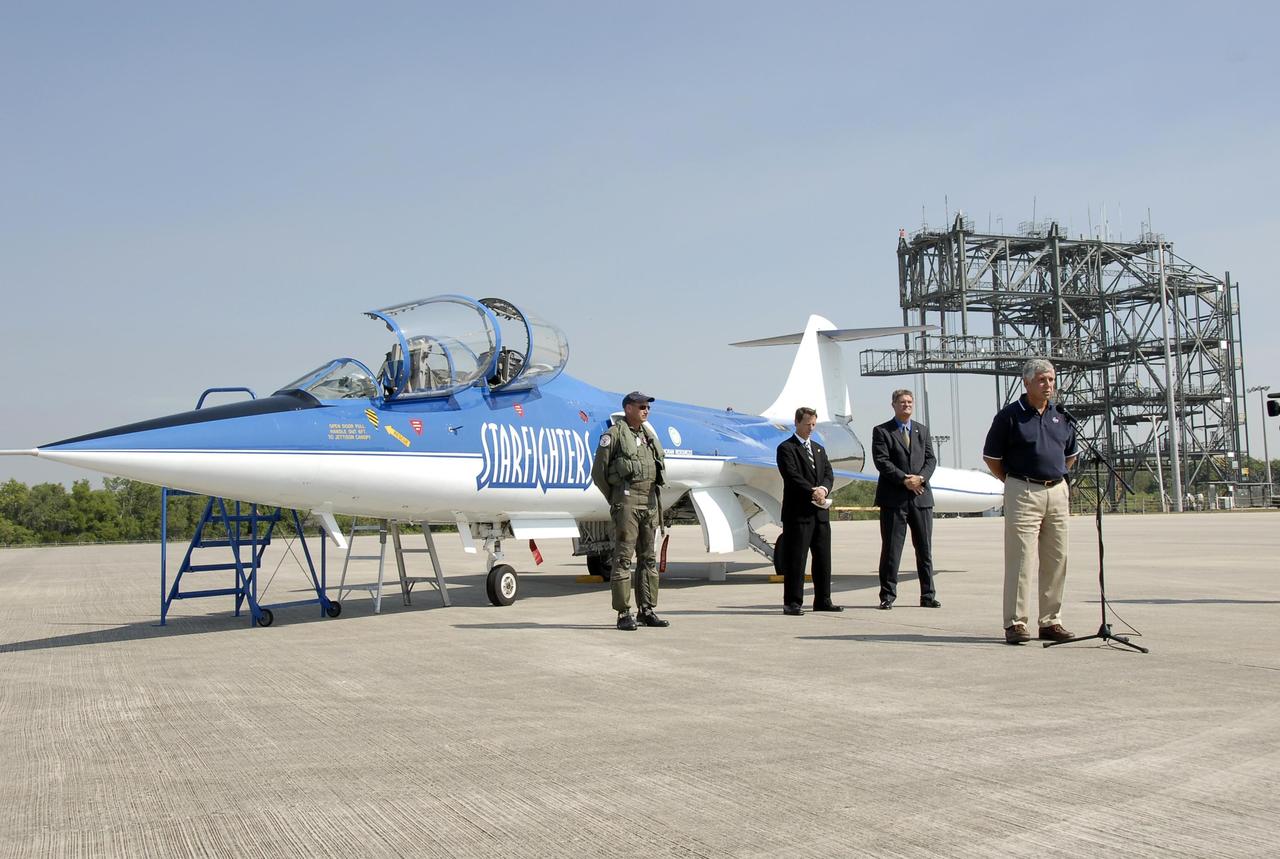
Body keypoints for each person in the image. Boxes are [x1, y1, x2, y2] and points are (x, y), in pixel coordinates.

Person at [982, 358, 1078, 645]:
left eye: (1051, 379)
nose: (1048, 385)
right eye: (1041, 380)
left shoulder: (1061, 416)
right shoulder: (1010, 416)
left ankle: (1051, 621)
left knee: (1057, 558)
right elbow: (992, 458)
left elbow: (1070, 455)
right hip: (1023, 490)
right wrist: (1014, 482)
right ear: (1026, 383)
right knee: (1022, 558)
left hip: (1057, 491)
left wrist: (1056, 478)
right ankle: (1015, 622)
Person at [590, 391, 668, 631]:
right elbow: (599, 473)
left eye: (647, 406)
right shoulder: (613, 436)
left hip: (649, 504)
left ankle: (647, 610)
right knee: (623, 559)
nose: (646, 410)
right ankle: (624, 613)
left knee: (648, 559)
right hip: (627, 504)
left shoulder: (647, 436)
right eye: (641, 406)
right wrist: (616, 499)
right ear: (628, 409)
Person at [871, 389, 939, 610]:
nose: (906, 405)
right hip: (894, 499)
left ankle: (928, 595)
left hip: (921, 498)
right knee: (891, 549)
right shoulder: (882, 431)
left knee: (924, 550)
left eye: (909, 402)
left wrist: (920, 479)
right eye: (902, 402)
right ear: (893, 405)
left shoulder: (922, 430)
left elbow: (930, 459)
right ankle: (887, 595)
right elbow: (881, 461)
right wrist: (904, 480)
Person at [776, 406, 840, 615]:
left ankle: (823, 599)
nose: (811, 428)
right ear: (797, 423)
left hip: (820, 514)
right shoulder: (787, 448)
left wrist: (824, 488)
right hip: (799, 514)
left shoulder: (819, 449)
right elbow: (792, 476)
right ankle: (792, 602)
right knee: (797, 559)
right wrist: (813, 492)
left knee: (823, 559)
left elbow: (828, 474)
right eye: (807, 424)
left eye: (813, 424)